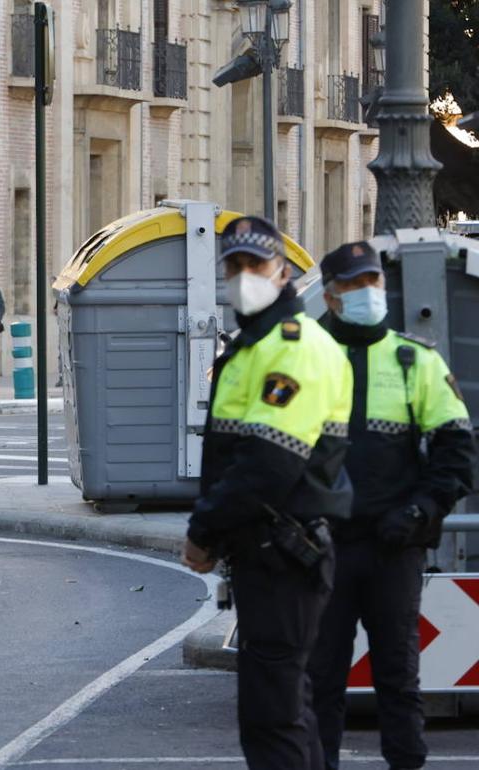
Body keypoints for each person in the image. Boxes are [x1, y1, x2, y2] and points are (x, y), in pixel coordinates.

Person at [182, 216, 354, 770]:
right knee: (285, 711)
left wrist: (203, 530)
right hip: (266, 553)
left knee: (274, 719)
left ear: (283, 272)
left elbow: (268, 465)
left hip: (285, 551)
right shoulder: (254, 347)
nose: (242, 277)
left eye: (254, 265)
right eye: (232, 267)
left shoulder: (291, 347)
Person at [307, 241, 475, 770]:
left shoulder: (414, 361)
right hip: (321, 548)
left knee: (399, 679)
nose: (368, 293)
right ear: (331, 298)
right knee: (319, 682)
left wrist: (422, 511)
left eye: (373, 281)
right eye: (355, 285)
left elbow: (457, 453)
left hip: (392, 547)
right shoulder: (301, 359)